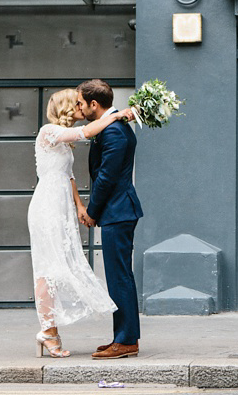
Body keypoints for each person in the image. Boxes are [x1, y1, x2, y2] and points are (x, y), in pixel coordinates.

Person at [29, 88, 134, 358]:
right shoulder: (48, 131)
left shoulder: (64, 141)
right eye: (75, 104)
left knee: (59, 264)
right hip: (46, 206)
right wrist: (117, 115)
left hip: (62, 205)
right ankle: (48, 331)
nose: (80, 108)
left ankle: (53, 333)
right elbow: (86, 132)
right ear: (65, 107)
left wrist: (80, 206)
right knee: (46, 268)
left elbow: (70, 176)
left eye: (81, 103)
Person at [77, 79, 143, 360]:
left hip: (118, 210)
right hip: (118, 210)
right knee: (119, 276)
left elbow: (106, 176)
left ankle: (127, 340)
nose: (78, 108)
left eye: (80, 103)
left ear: (94, 104)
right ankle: (122, 337)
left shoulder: (114, 131)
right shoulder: (114, 126)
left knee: (119, 276)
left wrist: (92, 210)